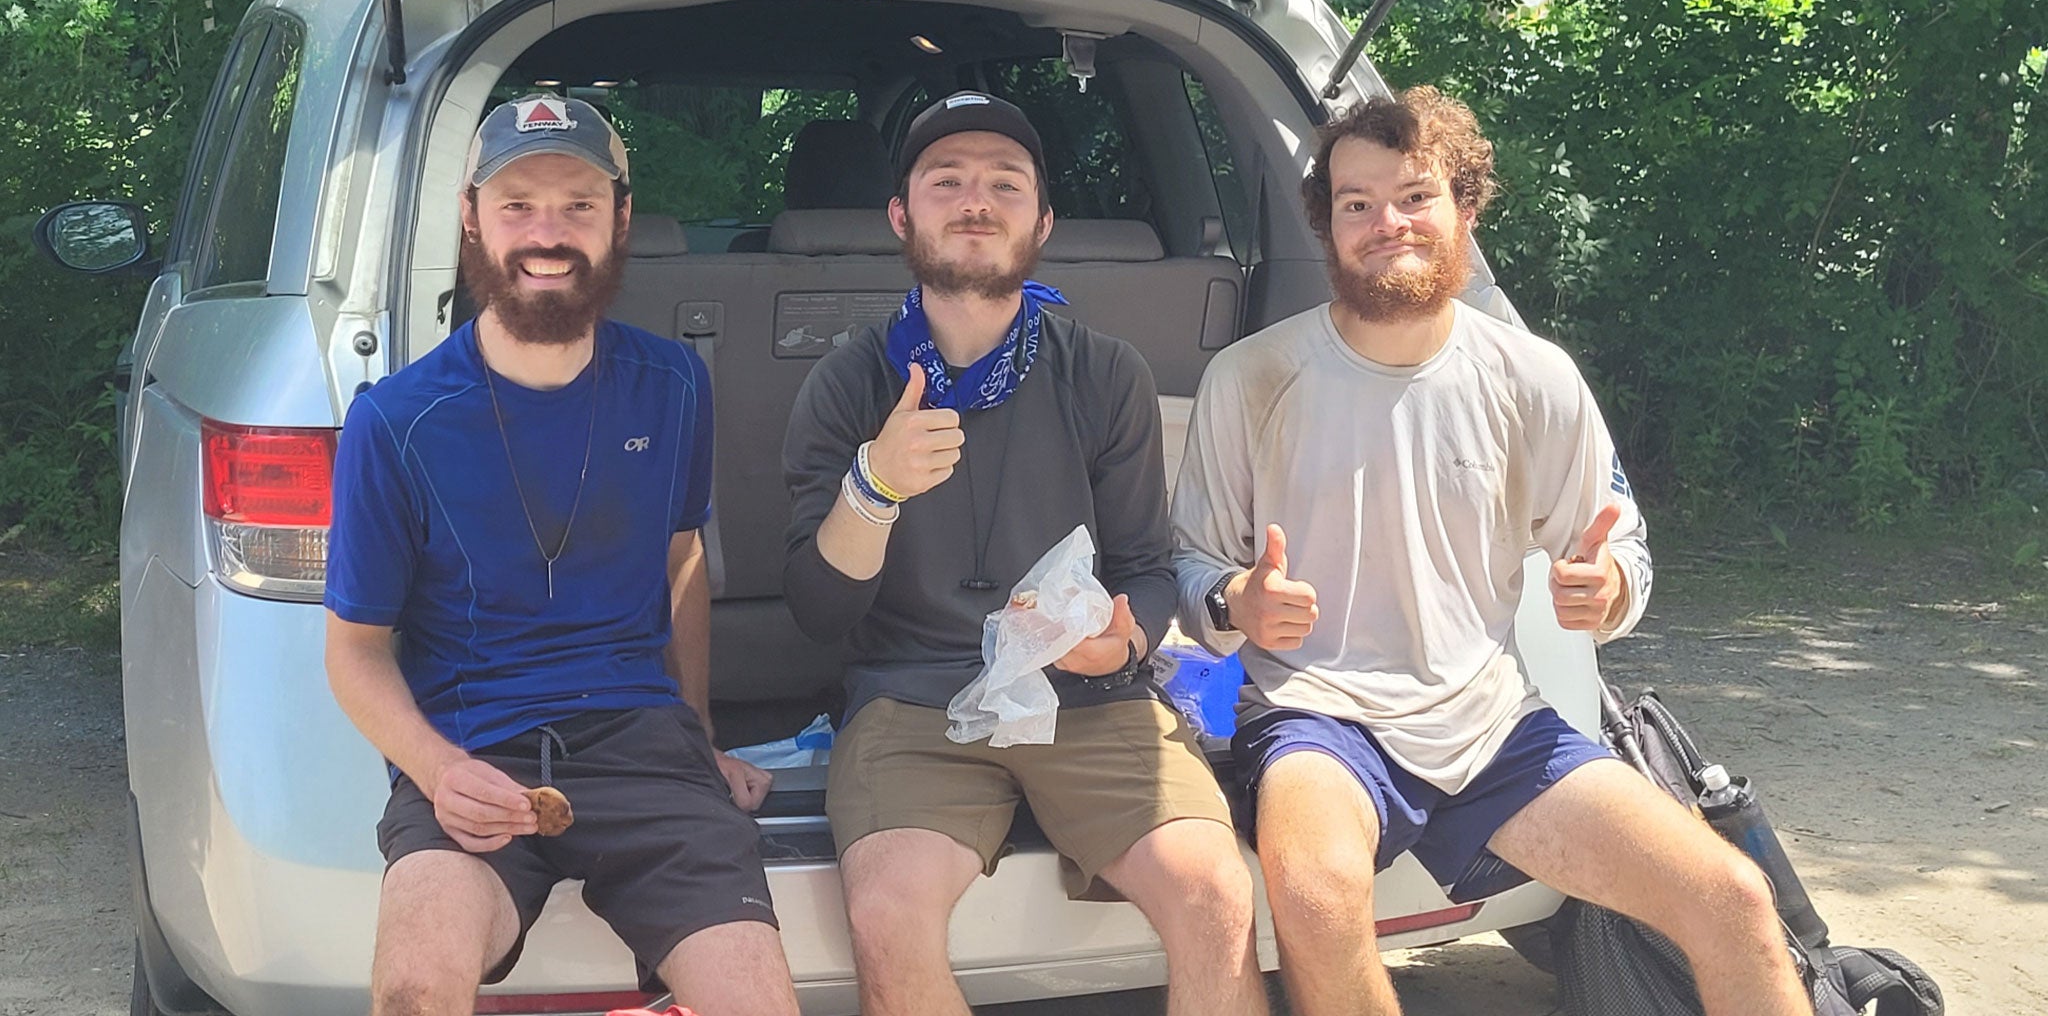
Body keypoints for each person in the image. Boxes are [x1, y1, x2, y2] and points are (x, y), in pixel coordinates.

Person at [1171, 86, 1809, 1016]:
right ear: (1328, 226)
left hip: (1491, 719)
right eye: (1356, 204)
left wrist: (1610, 586)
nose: (1387, 223)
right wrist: (1237, 603)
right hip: (1314, 713)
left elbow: (1617, 542)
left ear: (1464, 208)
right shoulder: (1251, 377)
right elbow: (1189, 569)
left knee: (1732, 895)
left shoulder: (1534, 375)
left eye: (1415, 197)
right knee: (1313, 894)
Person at [780, 92, 1268, 1016]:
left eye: (1005, 183)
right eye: (946, 182)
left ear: (1042, 221)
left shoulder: (1104, 371)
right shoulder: (849, 381)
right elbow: (820, 613)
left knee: (1216, 893)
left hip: (1092, 697)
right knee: (887, 911)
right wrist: (872, 489)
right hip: (913, 699)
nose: (977, 201)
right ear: (900, 215)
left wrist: (1120, 645)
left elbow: (1146, 568)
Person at [324, 94, 799, 1016]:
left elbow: (680, 566)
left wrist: (698, 735)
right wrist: (434, 769)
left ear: (621, 218)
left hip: (643, 749)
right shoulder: (395, 421)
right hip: (472, 751)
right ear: (470, 218)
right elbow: (354, 650)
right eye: (517, 206)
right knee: (416, 991)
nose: (548, 233)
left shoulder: (671, 384)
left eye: (580, 204)